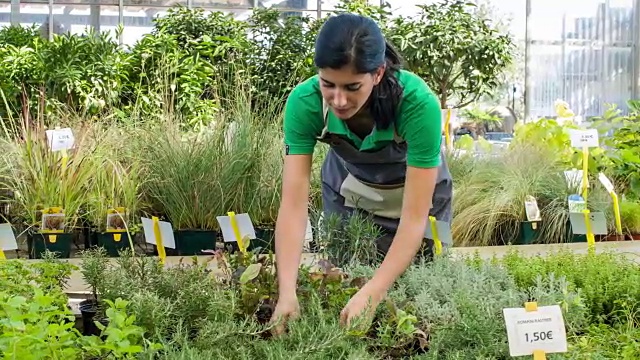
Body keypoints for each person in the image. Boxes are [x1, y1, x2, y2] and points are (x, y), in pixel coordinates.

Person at [270, 13, 453, 333]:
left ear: (378, 73)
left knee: (418, 286)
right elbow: (293, 206)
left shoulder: (417, 103)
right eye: (329, 84)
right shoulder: (305, 103)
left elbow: (414, 219)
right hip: (349, 192)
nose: (338, 100)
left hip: (417, 199)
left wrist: (374, 290)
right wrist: (287, 292)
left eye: (352, 86)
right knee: (343, 279)